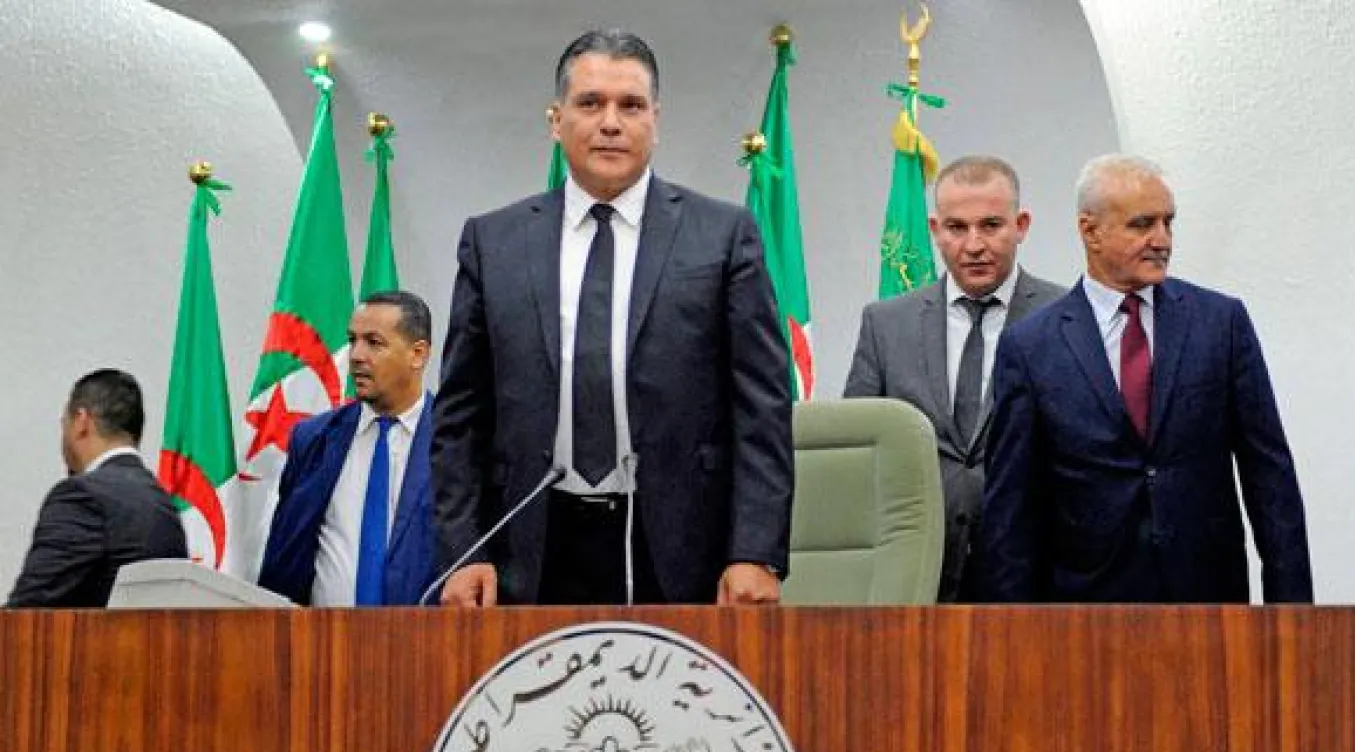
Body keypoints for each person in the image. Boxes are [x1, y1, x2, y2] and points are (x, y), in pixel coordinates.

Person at [432, 29, 793, 607]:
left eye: (630, 105)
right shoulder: (493, 241)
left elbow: (762, 409)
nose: (610, 123)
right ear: (556, 120)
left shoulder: (721, 236)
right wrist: (464, 552)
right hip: (528, 547)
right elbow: (460, 416)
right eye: (590, 103)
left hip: (682, 551)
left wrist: (755, 549)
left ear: (656, 118)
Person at [979, 154, 1313, 603]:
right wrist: (1011, 637)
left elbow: (1270, 478)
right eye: (1142, 224)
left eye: (1168, 223)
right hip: (1086, 617)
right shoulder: (1031, 346)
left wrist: (1291, 619)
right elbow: (1011, 509)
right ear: (1090, 230)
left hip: (1208, 607)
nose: (1162, 240)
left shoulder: (1220, 323)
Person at [844, 155, 1065, 600]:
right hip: (915, 580)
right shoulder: (886, 325)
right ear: (934, 230)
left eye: (991, 225)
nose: (974, 244)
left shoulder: (1066, 320)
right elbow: (860, 451)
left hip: (1034, 581)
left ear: (1021, 225)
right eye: (957, 227)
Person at [258, 291, 438, 606]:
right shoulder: (313, 440)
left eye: (374, 342)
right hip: (323, 645)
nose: (356, 355)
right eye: (352, 340)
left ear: (418, 354)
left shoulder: (454, 444)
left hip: (424, 643)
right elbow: (284, 557)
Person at [7, 369, 187, 607]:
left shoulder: (80, 498)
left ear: (82, 421)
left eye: (65, 424)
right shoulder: (164, 504)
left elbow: (28, 612)